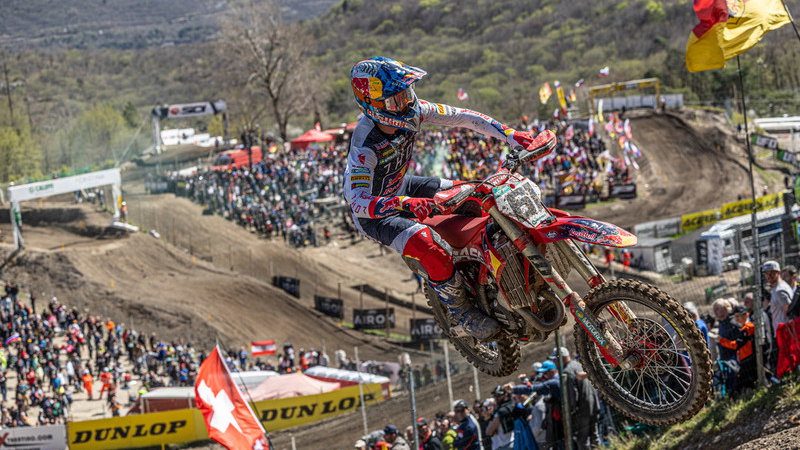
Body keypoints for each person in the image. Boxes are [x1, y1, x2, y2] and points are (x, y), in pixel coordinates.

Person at [345, 57, 556, 340]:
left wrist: (510, 134)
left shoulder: (416, 110)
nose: (406, 104)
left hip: (403, 186)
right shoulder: (364, 146)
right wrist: (403, 204)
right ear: (372, 104)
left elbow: (462, 116)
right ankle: (460, 313)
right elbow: (356, 200)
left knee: (479, 193)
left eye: (406, 94)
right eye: (395, 100)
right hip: (376, 214)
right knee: (427, 244)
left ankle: (494, 269)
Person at [719, 306, 756, 395]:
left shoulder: (748, 328)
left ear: (746, 315)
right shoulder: (744, 327)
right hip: (745, 358)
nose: (736, 319)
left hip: (749, 358)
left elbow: (736, 345)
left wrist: (721, 340)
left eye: (738, 316)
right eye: (735, 316)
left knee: (741, 382)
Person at [764, 260, 792, 336]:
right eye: (766, 273)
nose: (769, 276)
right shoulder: (776, 288)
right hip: (782, 331)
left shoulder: (780, 290)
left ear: (778, 272)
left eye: (772, 273)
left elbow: (790, 312)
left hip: (786, 332)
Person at [486, 385, 516, 449]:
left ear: (505, 394)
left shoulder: (501, 410)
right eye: (495, 396)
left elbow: (489, 432)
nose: (496, 398)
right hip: (510, 442)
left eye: (499, 395)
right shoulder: (511, 405)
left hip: (508, 443)